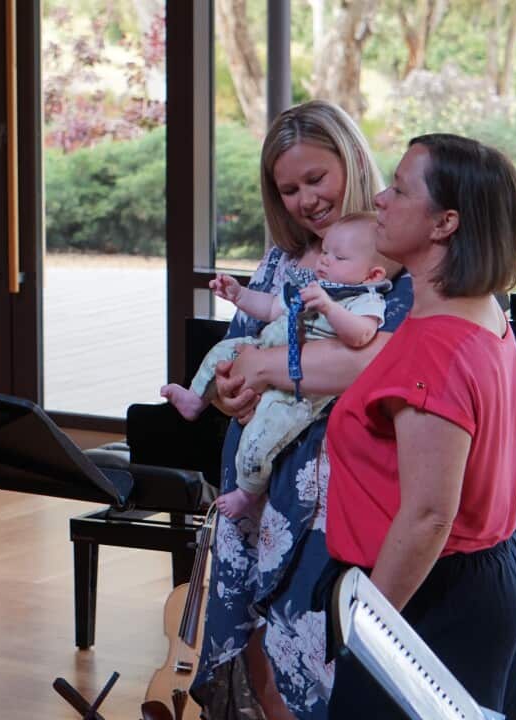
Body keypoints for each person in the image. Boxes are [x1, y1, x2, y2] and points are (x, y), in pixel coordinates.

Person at [189, 101, 413, 720]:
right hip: (257, 488)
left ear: (352, 161)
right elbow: (240, 347)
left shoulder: (393, 263)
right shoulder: (283, 260)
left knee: (311, 667)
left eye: (317, 179)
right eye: (288, 189)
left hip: (332, 500)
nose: (305, 200)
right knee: (259, 658)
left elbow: (374, 364)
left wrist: (264, 371)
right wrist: (226, 392)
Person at [321, 134, 516, 719]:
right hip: (492, 575)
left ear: (445, 223)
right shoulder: (481, 310)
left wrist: (365, 630)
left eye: (398, 188)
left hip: (433, 594)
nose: (380, 199)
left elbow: (428, 516)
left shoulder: (435, 352)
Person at [161, 213, 397, 520]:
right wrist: (240, 295)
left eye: (338, 257)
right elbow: (273, 307)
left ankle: (248, 491)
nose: (325, 261)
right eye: (325, 252)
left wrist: (328, 305)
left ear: (372, 275)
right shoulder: (315, 284)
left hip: (297, 391)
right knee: (223, 350)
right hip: (263, 348)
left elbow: (361, 335)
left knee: (262, 435)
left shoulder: (363, 299)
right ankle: (195, 399)